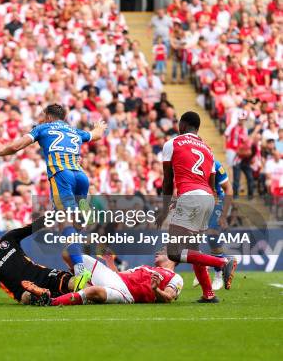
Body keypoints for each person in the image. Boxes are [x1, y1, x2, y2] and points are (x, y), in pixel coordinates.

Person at [0, 104, 107, 281]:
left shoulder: (42, 128)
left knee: (64, 222)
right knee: (76, 225)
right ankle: (84, 232)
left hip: (62, 175)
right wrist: (99, 126)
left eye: (42, 114)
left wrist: (1, 151)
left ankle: (80, 269)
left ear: (48, 116)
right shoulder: (73, 131)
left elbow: (17, 146)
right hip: (81, 176)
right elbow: (96, 135)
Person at [160, 111, 237, 303]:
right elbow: (211, 185)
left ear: (183, 125)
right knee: (193, 249)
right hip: (208, 199)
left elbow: (168, 180)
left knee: (174, 252)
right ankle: (208, 294)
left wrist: (165, 207)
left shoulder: (173, 143)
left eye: (179, 124)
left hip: (190, 196)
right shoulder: (208, 149)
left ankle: (223, 262)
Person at [0, 223, 83, 305]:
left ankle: (54, 296)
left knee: (76, 283)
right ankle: (46, 296)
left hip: (43, 275)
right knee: (27, 297)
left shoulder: (9, 238)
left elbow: (32, 227)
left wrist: (52, 216)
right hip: (22, 290)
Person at [25, 251, 184, 305]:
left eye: (163, 250)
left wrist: (155, 289)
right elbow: (117, 275)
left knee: (94, 291)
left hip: (128, 294)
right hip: (116, 279)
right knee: (69, 253)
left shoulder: (176, 277)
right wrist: (110, 262)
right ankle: (82, 285)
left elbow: (168, 298)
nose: (158, 252)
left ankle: (51, 301)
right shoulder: (145, 267)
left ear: (173, 258)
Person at [193, 160, 233, 291]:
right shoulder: (190, 164)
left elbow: (229, 189)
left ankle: (218, 274)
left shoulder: (215, 165)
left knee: (212, 236)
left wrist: (224, 215)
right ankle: (203, 268)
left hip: (217, 202)